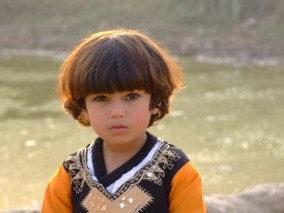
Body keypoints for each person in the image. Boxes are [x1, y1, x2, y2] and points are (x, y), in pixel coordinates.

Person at [41, 28, 206, 213]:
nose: (117, 112)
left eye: (131, 96)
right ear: (83, 107)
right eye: (101, 98)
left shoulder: (176, 171)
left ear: (156, 102)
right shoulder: (71, 174)